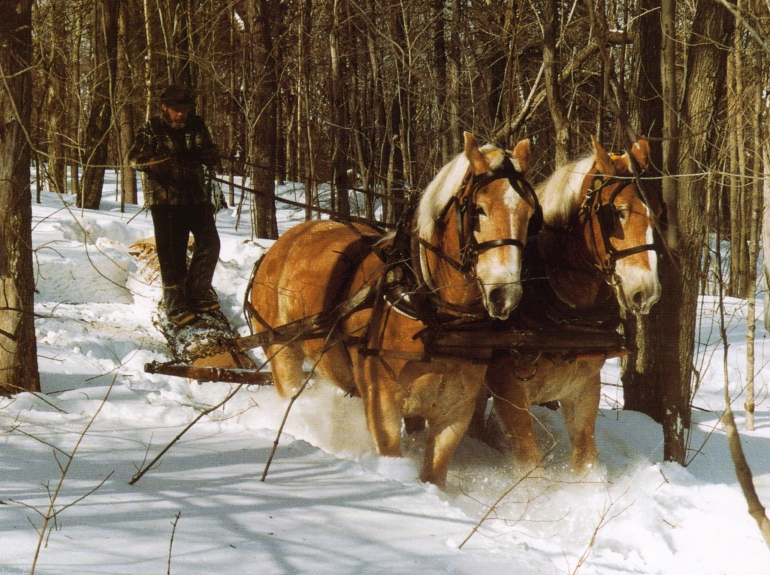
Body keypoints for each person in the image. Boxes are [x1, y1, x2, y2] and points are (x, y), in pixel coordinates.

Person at [128, 84, 222, 327]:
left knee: (210, 243)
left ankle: (197, 293)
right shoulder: (150, 128)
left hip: (196, 196)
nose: (181, 114)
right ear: (164, 107)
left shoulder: (197, 124)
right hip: (166, 201)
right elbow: (133, 159)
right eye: (176, 110)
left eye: (185, 110)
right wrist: (151, 163)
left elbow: (209, 150)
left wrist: (211, 156)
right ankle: (175, 305)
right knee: (172, 254)